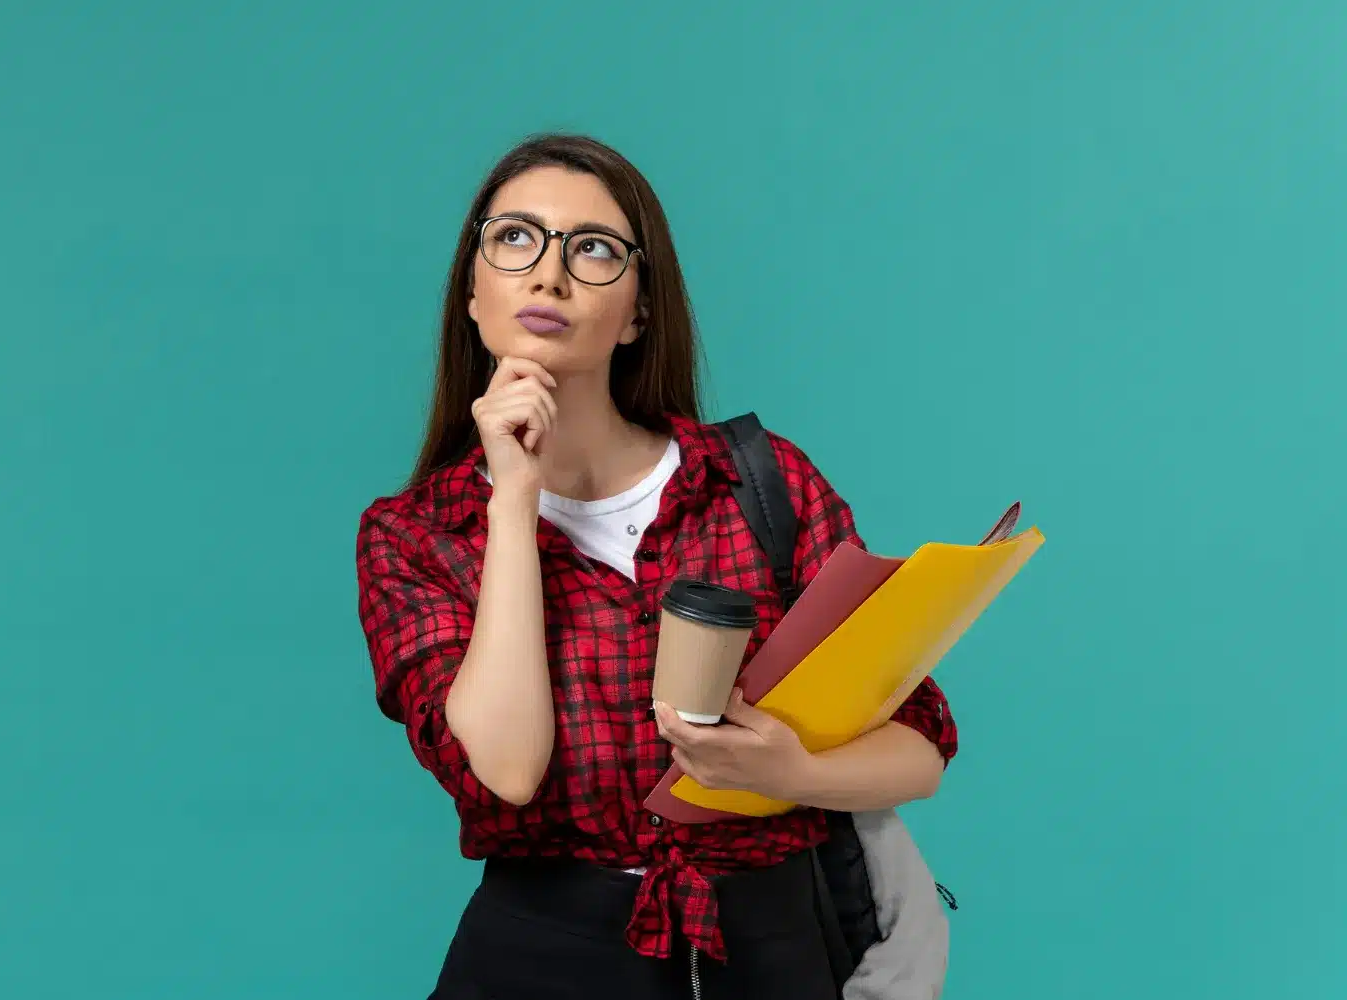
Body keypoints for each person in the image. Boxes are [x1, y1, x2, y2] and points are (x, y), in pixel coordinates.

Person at [356, 133, 959, 1000]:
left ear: (639, 310)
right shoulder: (417, 537)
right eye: (516, 238)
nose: (550, 275)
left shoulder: (761, 484)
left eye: (594, 249)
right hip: (541, 962)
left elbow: (922, 743)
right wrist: (515, 501)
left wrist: (792, 775)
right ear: (472, 291)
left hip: (775, 953)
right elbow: (508, 768)